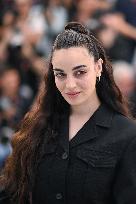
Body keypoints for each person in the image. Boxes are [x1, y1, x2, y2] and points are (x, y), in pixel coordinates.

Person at [0, 22, 136, 204]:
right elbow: (11, 192)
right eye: (60, 74)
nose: (70, 85)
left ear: (98, 67)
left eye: (80, 72)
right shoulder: (36, 127)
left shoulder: (127, 135)